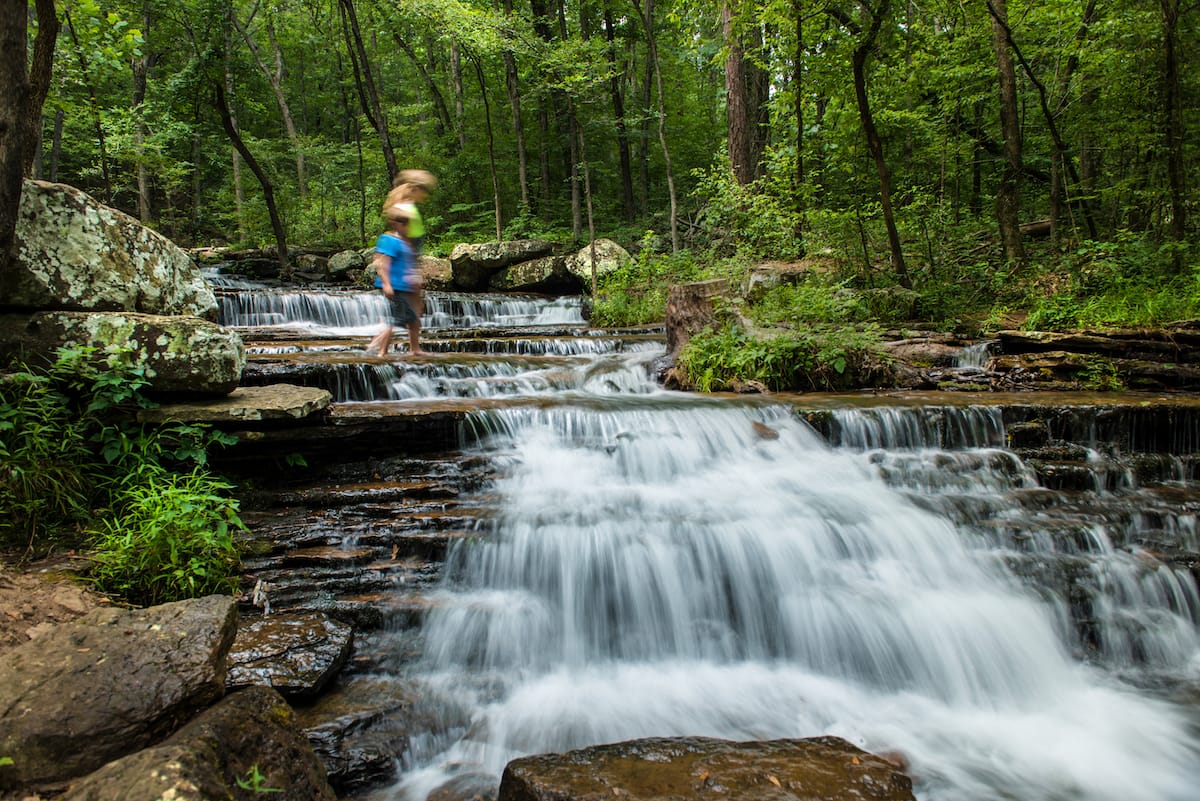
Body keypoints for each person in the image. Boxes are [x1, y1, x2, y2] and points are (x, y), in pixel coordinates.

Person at [365, 207, 427, 356]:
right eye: (406, 225)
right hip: (394, 287)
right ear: (398, 225)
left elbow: (407, 264)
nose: (409, 229)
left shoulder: (404, 242)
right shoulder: (390, 240)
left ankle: (412, 349)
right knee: (395, 320)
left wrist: (414, 280)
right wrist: (387, 284)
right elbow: (384, 263)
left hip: (403, 286)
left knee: (408, 319)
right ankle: (379, 350)